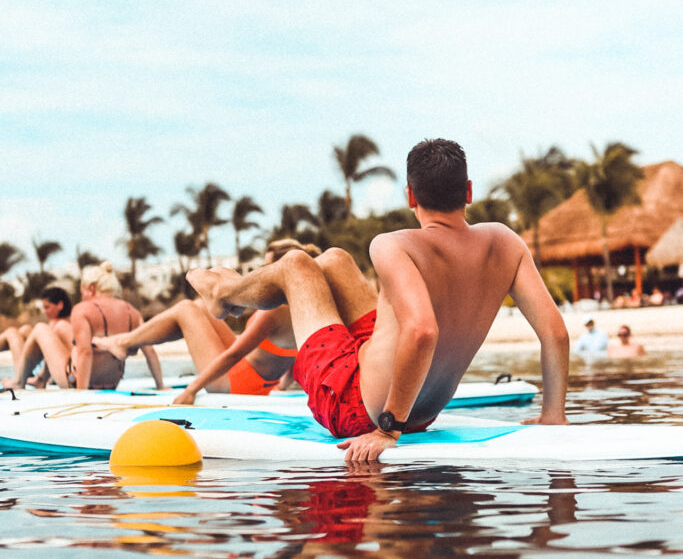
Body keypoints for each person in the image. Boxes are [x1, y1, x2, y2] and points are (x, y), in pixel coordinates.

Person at [187, 138, 569, 464]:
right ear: (468, 192)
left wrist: (388, 430)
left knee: (297, 265)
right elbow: (555, 332)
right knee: (335, 259)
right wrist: (553, 414)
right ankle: (236, 296)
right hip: (419, 406)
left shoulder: (394, 244)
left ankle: (224, 295)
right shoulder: (506, 242)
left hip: (360, 407)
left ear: (410, 196)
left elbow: (421, 331)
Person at [92, 240, 321, 401]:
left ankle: (124, 343)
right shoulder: (305, 306)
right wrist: (282, 388)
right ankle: (126, 342)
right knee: (200, 306)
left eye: (267, 267)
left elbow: (234, 355)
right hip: (259, 385)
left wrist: (192, 390)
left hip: (233, 385)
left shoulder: (272, 312)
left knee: (185, 309)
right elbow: (300, 354)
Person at [3, 262, 163, 391]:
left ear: (91, 288)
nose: (82, 297)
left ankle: (19, 381)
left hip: (78, 381)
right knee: (60, 329)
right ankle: (40, 379)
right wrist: (160, 386)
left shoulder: (83, 309)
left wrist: (82, 393)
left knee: (40, 329)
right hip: (112, 382)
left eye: (83, 292)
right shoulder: (132, 311)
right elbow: (150, 351)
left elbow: (85, 352)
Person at [1, 286, 73, 387]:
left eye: (47, 307)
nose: (44, 311)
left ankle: (20, 379)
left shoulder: (61, 324)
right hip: (55, 371)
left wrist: (42, 377)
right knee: (22, 330)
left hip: (62, 374)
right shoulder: (65, 323)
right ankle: (29, 377)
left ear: (60, 305)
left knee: (13, 333)